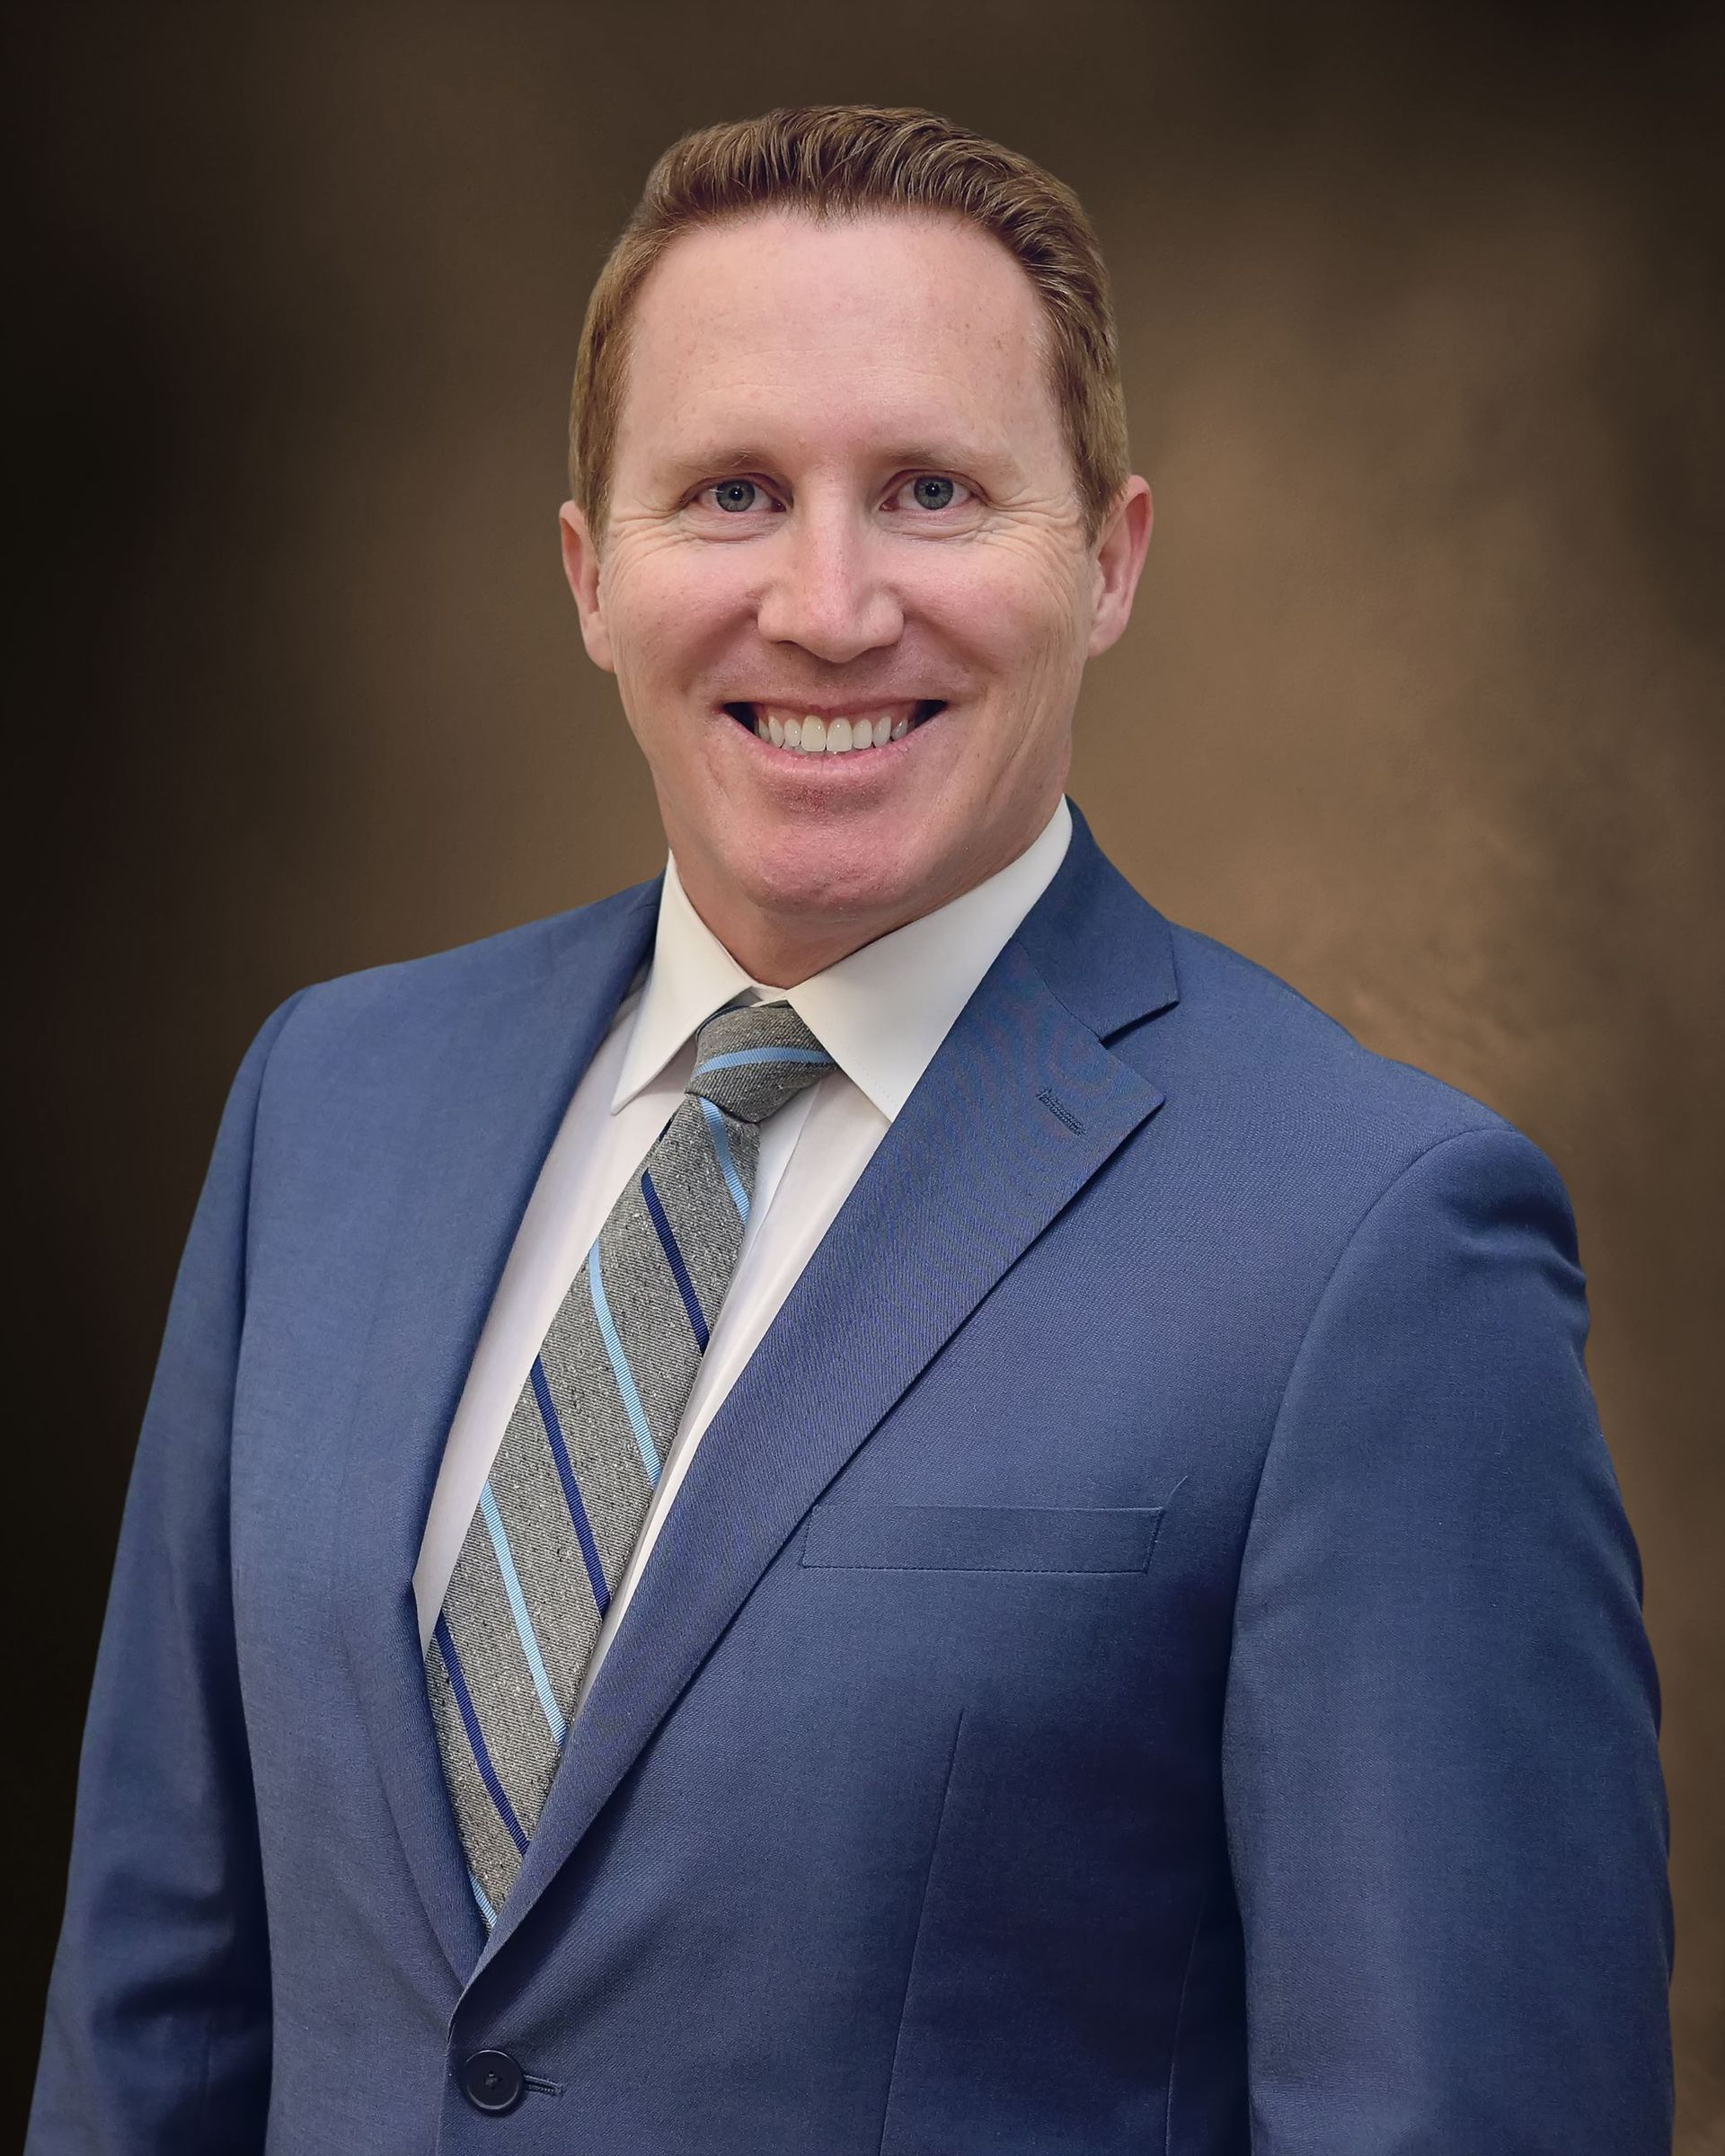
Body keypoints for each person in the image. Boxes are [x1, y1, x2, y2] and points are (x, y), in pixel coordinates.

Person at [29, 104, 1672, 2154]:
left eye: (929, 492)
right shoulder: (325, 1110)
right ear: (590, 578)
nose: (826, 603)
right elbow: (152, 2020)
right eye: (729, 494)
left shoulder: (1379, 1248)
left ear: (1110, 563)